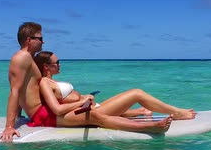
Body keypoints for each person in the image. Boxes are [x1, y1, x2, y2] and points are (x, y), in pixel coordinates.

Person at [31, 51, 196, 133]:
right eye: (57, 62)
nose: (60, 64)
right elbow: (57, 110)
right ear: (46, 66)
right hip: (84, 111)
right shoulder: (45, 83)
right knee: (136, 93)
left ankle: (142, 113)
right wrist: (82, 101)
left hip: (89, 107)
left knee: (135, 94)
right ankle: (174, 115)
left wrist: (86, 98)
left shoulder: (53, 81)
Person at [0, 22, 45, 142]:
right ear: (29, 40)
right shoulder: (22, 57)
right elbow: (15, 90)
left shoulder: (29, 58)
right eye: (40, 38)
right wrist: (9, 127)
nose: (43, 42)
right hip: (42, 114)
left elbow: (23, 87)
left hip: (44, 110)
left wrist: (19, 116)